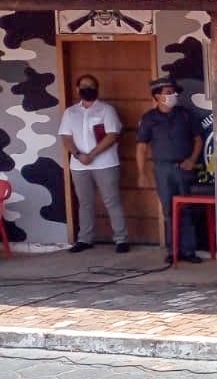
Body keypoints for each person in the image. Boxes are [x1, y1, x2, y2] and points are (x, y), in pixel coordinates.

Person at [58, 74, 128, 254]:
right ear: (77, 89)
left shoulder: (106, 110)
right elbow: (65, 136)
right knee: (85, 203)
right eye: (83, 86)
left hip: (105, 163)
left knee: (112, 201)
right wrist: (78, 154)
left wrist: (92, 155)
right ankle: (85, 239)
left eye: (91, 86)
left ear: (97, 89)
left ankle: (121, 239)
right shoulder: (70, 112)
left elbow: (112, 135)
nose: (87, 89)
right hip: (79, 164)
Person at [136, 77, 202, 265]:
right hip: (162, 168)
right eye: (167, 93)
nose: (172, 96)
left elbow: (198, 139)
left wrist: (192, 160)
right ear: (157, 96)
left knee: (187, 209)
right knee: (168, 210)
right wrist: (141, 173)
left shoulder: (185, 115)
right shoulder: (149, 118)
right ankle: (172, 250)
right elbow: (141, 146)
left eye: (174, 92)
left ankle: (189, 251)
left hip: (184, 167)